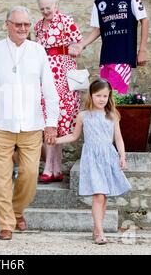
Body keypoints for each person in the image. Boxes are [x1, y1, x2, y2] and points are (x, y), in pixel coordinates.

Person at [0, 6, 60, 240]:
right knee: (3, 174)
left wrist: (51, 122)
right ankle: (5, 223)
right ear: (7, 24)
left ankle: (17, 210)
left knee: (29, 174)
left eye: (27, 25)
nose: (23, 29)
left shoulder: (38, 51)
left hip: (31, 125)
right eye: (18, 24)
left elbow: (49, 89)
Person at [56, 79, 131, 244]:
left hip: (108, 157)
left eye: (105, 95)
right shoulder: (83, 116)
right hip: (92, 158)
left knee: (103, 196)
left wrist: (122, 157)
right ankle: (99, 232)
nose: (102, 99)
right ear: (91, 95)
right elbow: (74, 136)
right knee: (98, 195)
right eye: (98, 95)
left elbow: (118, 138)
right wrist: (55, 140)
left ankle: (97, 229)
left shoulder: (112, 115)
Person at [70, 0, 149, 94]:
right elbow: (97, 29)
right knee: (105, 97)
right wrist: (81, 44)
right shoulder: (99, 1)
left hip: (124, 56)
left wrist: (142, 50)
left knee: (115, 95)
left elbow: (144, 20)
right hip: (106, 57)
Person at [34, 0, 83, 183]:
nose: (46, 11)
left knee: (60, 120)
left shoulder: (66, 21)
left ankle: (51, 168)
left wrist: (73, 49)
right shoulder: (38, 26)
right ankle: (54, 169)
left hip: (63, 73)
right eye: (42, 8)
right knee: (49, 118)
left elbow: (79, 43)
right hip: (45, 74)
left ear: (56, 4)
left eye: (49, 7)